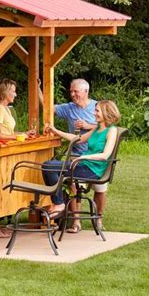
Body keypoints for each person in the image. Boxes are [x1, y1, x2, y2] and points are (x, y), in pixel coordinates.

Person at [42, 100, 121, 233]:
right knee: (47, 165)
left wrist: (83, 157)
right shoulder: (96, 128)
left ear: (106, 113)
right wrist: (55, 130)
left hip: (92, 170)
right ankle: (59, 202)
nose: (94, 113)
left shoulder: (111, 130)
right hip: (82, 164)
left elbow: (105, 155)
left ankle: (59, 203)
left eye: (97, 111)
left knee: (49, 167)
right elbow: (76, 138)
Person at [0, 78, 35, 238]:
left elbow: (7, 133)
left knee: (7, 187)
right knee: (0, 186)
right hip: (0, 155)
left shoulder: (7, 109)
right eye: (13, 91)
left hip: (9, 153)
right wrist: (16, 138)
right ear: (5, 92)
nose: (15, 94)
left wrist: (22, 135)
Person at [39, 78, 97, 155]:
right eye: (71, 91)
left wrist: (88, 126)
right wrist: (37, 87)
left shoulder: (98, 107)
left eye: (76, 91)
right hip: (75, 153)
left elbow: (108, 128)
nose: (72, 94)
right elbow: (47, 108)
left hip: (94, 153)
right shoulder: (69, 108)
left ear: (86, 91)